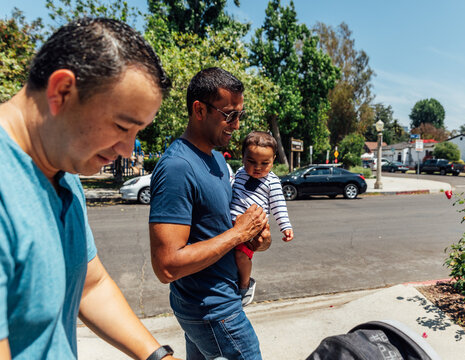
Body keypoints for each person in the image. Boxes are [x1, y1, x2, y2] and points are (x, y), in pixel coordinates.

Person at [0, 17, 180, 360]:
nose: (128, 150)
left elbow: (89, 286)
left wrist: (159, 356)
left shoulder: (63, 168)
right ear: (62, 91)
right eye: (122, 126)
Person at [149, 67, 272, 360]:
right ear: (199, 110)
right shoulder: (177, 167)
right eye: (230, 115)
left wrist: (255, 238)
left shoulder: (218, 160)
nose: (237, 125)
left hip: (220, 300)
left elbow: (223, 227)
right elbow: (166, 266)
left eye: (240, 115)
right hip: (211, 309)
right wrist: (238, 233)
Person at [230, 131, 294, 306]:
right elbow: (232, 190)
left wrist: (285, 226)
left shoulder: (272, 182)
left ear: (273, 160)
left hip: (252, 229)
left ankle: (245, 285)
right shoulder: (240, 173)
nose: (258, 167)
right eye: (251, 161)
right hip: (232, 224)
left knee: (241, 255)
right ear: (242, 157)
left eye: (265, 163)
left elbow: (279, 205)